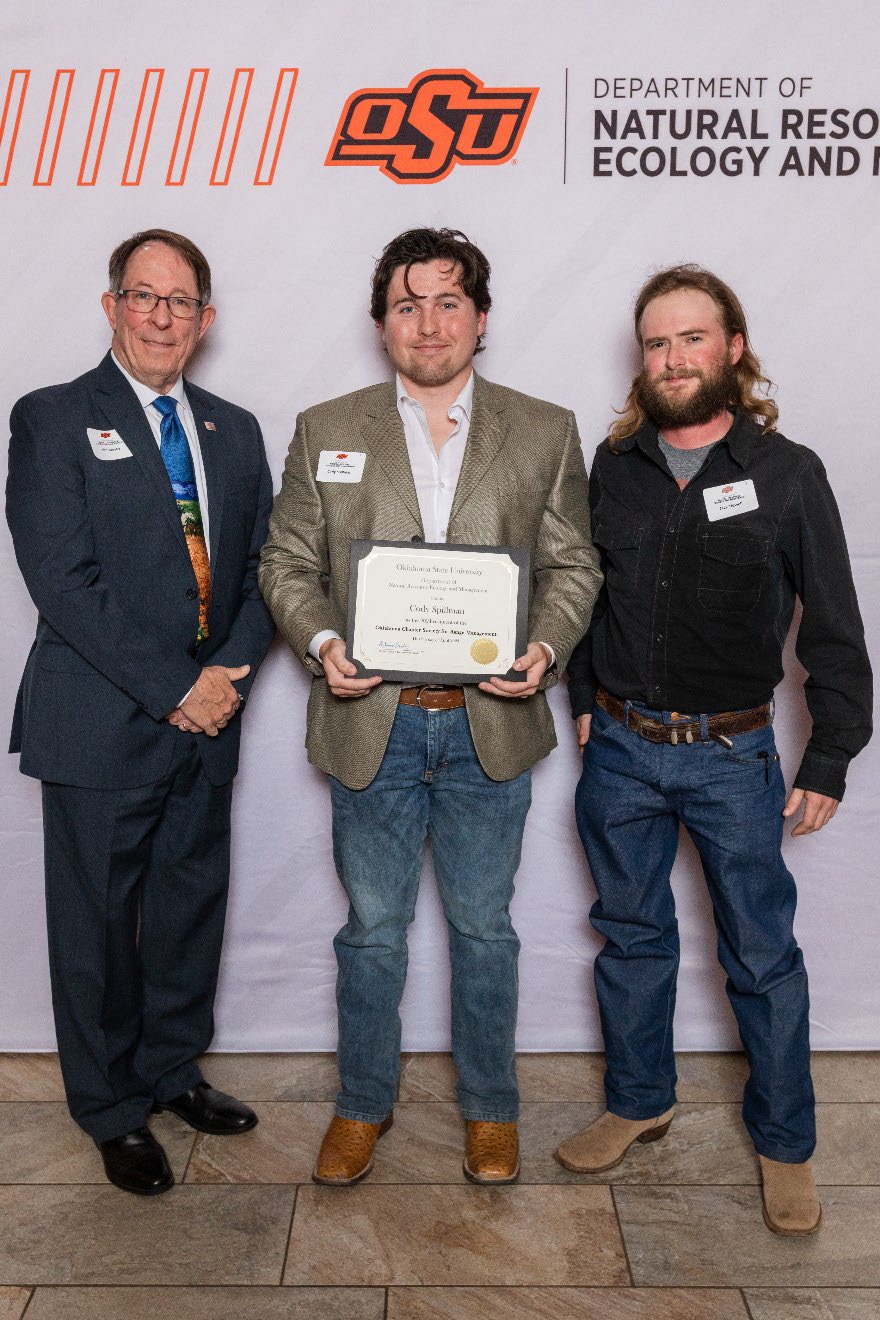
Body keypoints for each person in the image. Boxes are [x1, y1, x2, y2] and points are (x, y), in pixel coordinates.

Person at [259, 227, 601, 1187]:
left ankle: (492, 1110)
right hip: (373, 722)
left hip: (491, 722)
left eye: (449, 301)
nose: (429, 322)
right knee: (371, 930)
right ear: (382, 325)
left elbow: (574, 564)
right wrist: (327, 646)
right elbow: (286, 562)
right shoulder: (328, 428)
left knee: (484, 929)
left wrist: (544, 648)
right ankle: (363, 1105)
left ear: (480, 318)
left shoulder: (545, 428)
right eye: (407, 304)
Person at [555, 265, 872, 1235]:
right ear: (640, 360)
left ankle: (785, 1146)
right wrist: (578, 697)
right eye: (656, 343)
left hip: (732, 760)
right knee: (631, 938)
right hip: (617, 752)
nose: (673, 357)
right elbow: (577, 589)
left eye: (691, 338)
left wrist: (828, 755)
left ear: (732, 348)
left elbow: (834, 627)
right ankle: (638, 1099)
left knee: (762, 958)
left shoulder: (786, 475)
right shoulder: (611, 469)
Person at [6, 228, 275, 1195]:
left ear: (206, 319)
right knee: (96, 932)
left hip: (208, 725)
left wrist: (228, 675)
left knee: (184, 912)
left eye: (182, 301)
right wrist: (176, 687)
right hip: (102, 725)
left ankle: (170, 1070)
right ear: (113, 305)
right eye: (143, 295)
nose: (163, 316)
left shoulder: (234, 431)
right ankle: (111, 1107)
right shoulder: (51, 417)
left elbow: (259, 573)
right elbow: (64, 584)